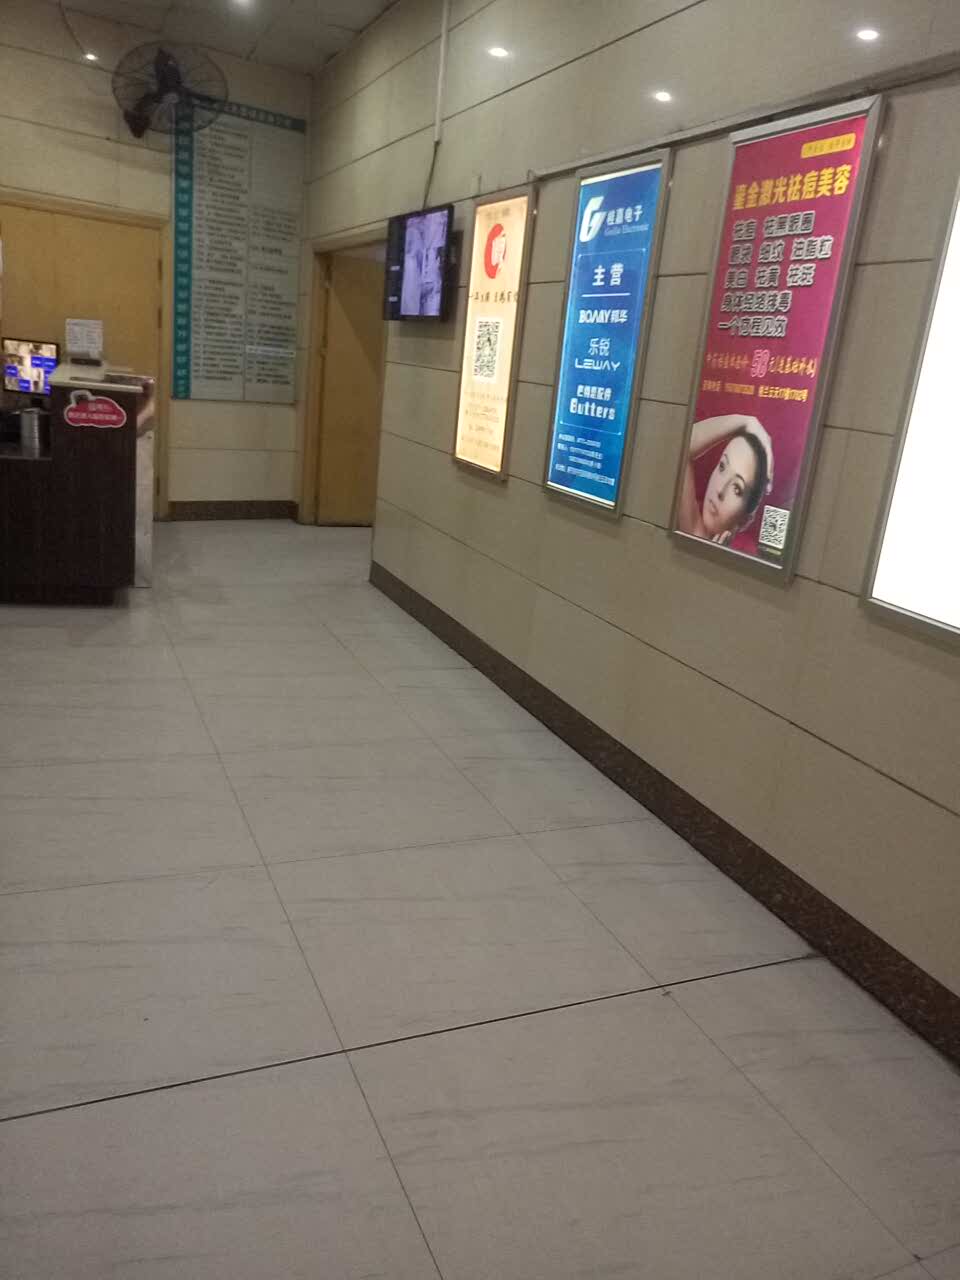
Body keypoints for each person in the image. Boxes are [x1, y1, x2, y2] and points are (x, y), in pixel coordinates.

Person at [676, 414, 774, 545]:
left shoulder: (747, 551)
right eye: (722, 466)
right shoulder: (692, 530)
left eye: (736, 489)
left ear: (744, 520)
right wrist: (748, 421)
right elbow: (681, 445)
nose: (720, 490)